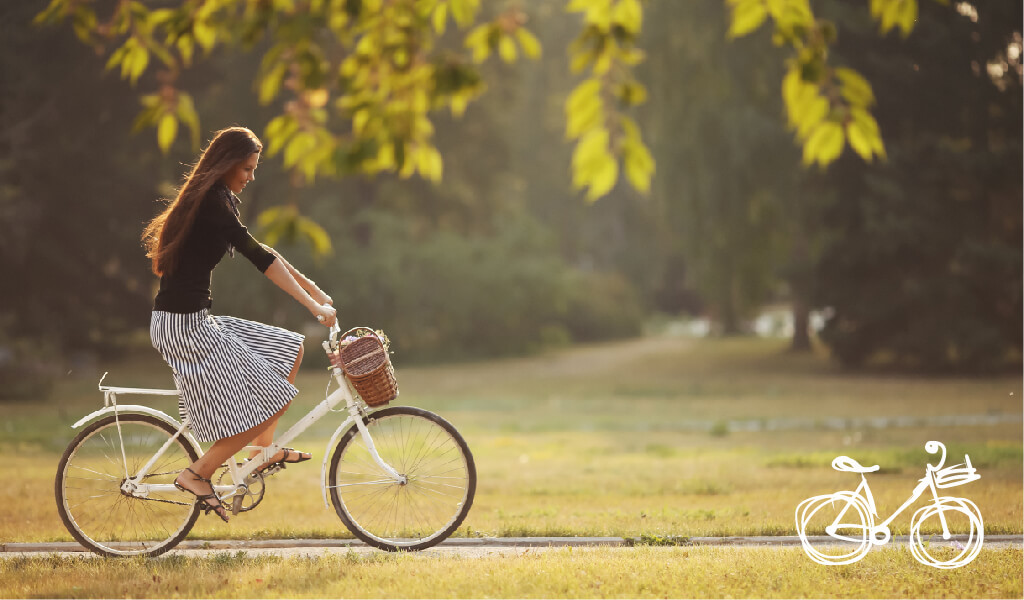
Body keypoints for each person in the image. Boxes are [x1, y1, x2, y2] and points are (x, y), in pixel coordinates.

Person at [142, 126, 336, 522]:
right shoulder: (212, 203)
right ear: (228, 164)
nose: (251, 177)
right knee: (272, 401)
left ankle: (262, 450)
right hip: (185, 329)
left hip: (192, 320)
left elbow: (262, 250)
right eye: (247, 168)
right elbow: (260, 260)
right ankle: (198, 474)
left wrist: (313, 287)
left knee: (290, 347)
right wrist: (313, 307)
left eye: (253, 169)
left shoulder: (217, 200)